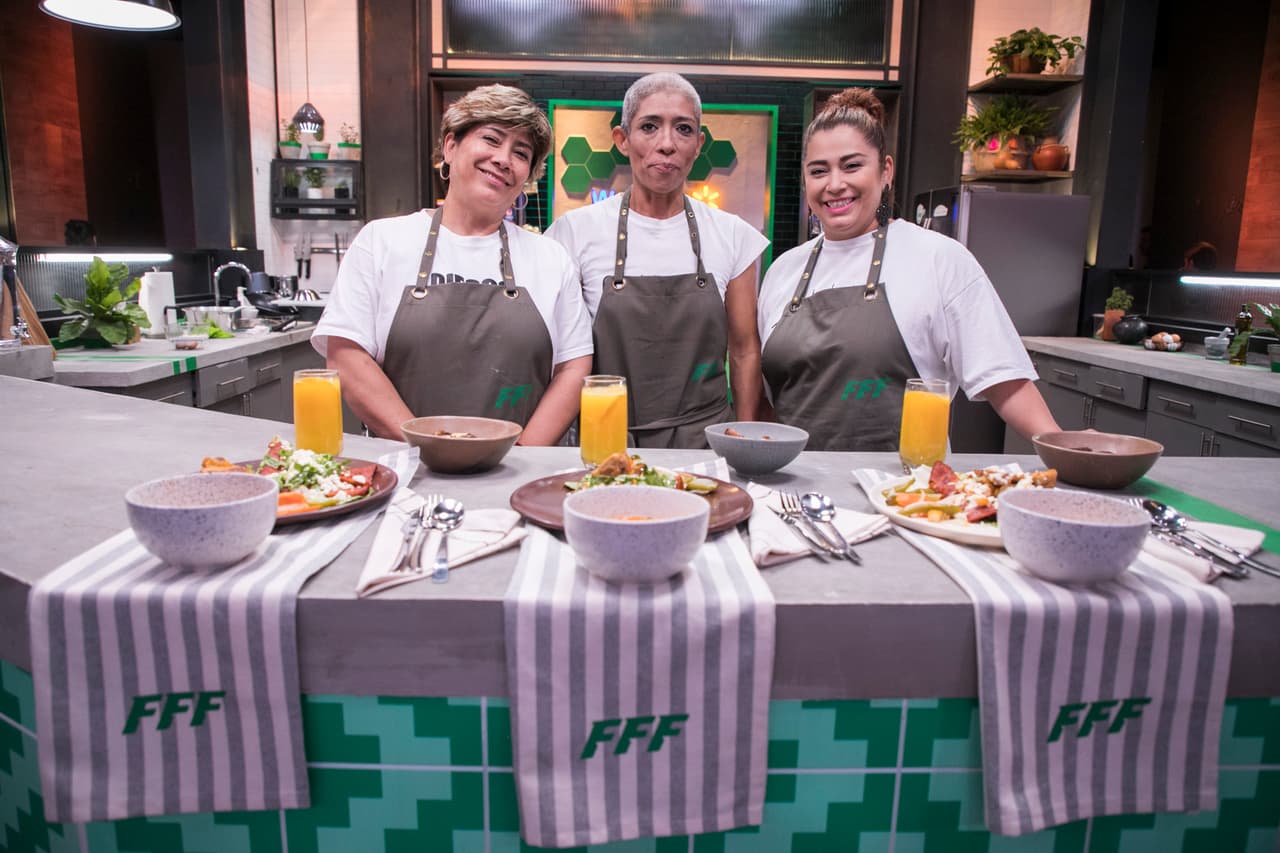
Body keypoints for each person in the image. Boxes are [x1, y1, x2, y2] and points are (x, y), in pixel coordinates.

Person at [756, 88, 1058, 452]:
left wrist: (1060, 444)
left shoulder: (938, 258)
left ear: (885, 171)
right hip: (799, 490)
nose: (834, 184)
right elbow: (773, 397)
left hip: (907, 493)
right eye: (819, 171)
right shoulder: (784, 270)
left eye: (852, 166)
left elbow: (1003, 380)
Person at [313, 84, 593, 443]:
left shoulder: (550, 258)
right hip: (406, 471)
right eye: (491, 139)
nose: (504, 159)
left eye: (520, 153)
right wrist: (427, 449)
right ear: (450, 146)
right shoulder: (382, 241)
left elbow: (574, 367)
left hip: (516, 474)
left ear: (527, 174)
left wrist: (523, 454)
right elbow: (346, 358)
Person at [547, 72, 769, 448]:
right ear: (622, 139)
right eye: (649, 127)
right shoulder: (574, 232)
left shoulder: (734, 236)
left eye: (683, 129)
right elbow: (562, 357)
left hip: (705, 442)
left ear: (698, 144)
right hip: (608, 438)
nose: (666, 144)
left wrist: (743, 441)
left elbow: (745, 349)